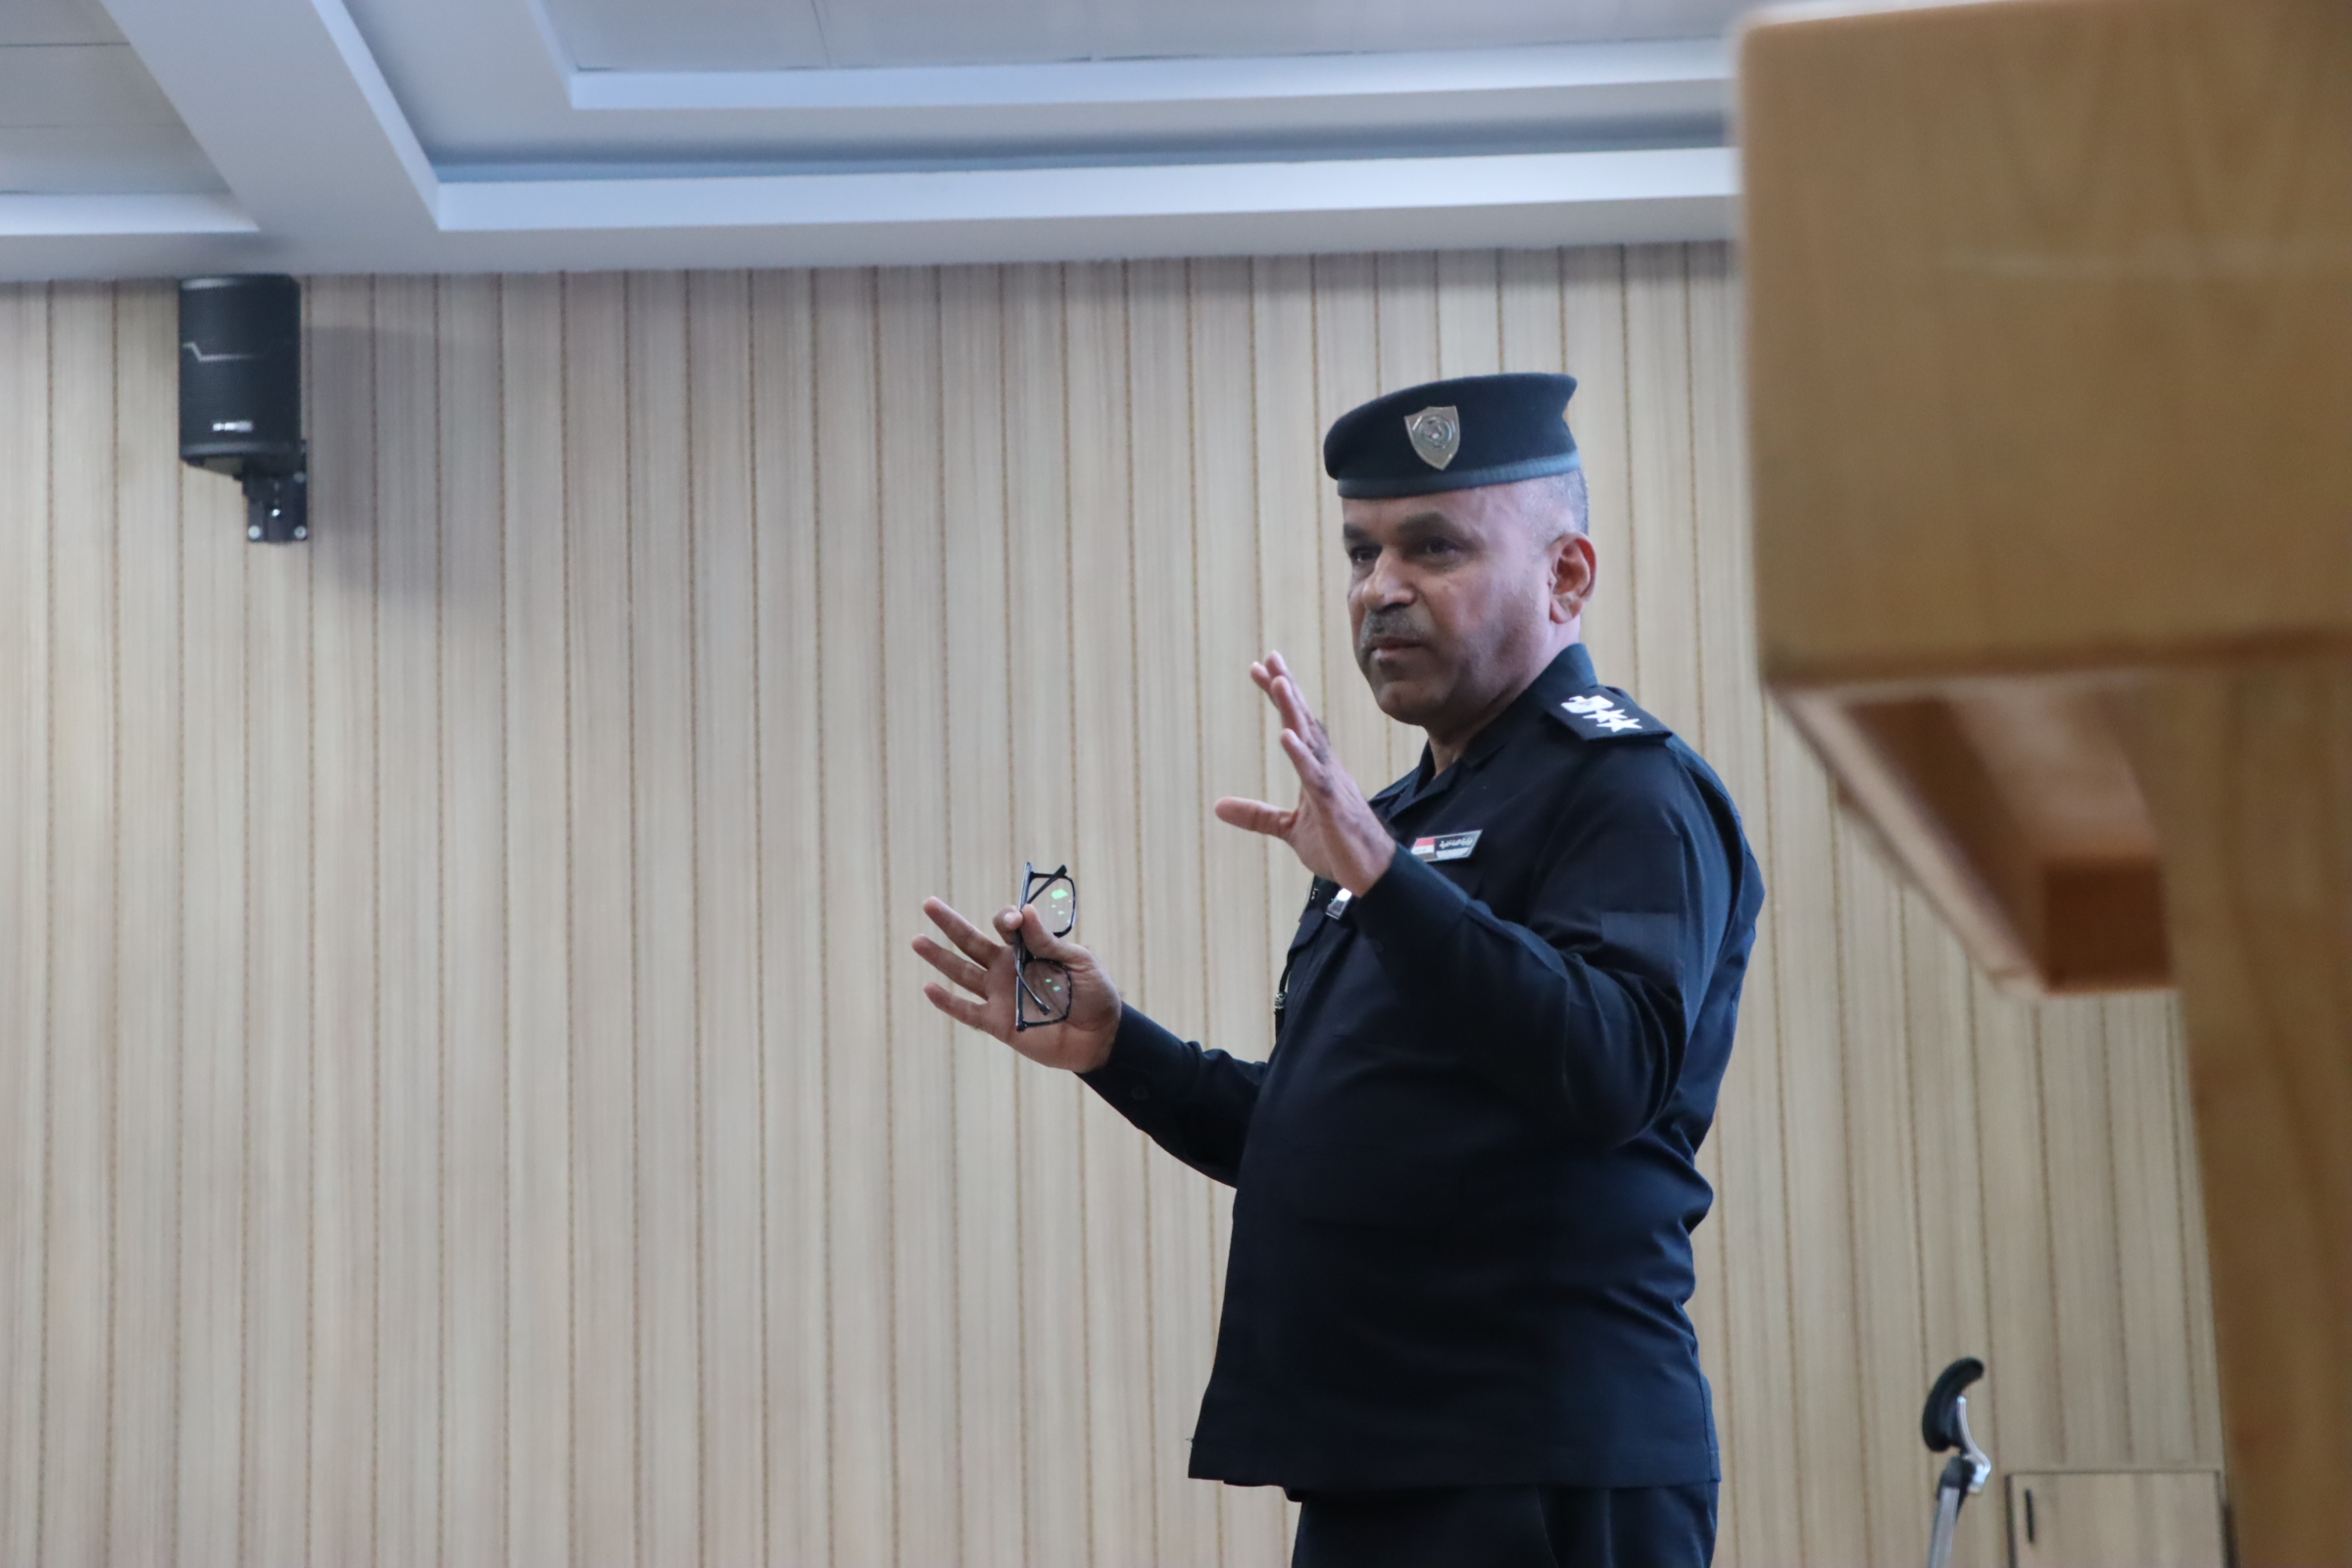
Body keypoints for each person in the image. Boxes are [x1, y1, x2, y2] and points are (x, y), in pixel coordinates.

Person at [913, 372, 1764, 1568]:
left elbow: (1612, 1068)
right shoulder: (1392, 824)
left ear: (1566, 576)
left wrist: (1385, 879)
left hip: (1549, 1461)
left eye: (1434, 547)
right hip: (1382, 1456)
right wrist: (1116, 1047)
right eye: (1362, 552)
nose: (1380, 588)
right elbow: (1334, 1127)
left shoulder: (1627, 790)